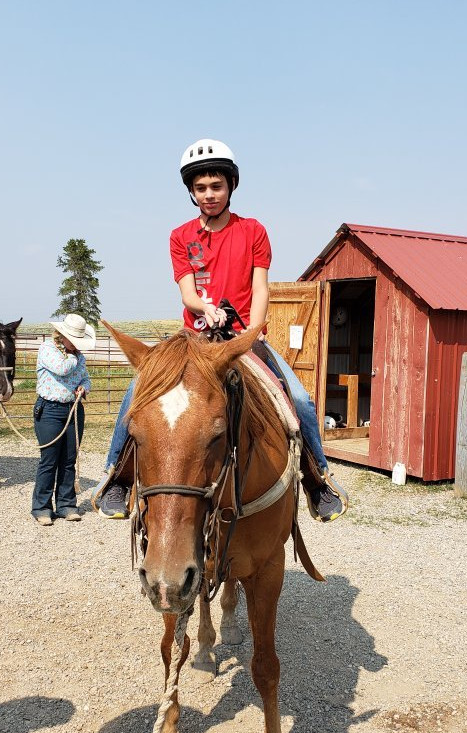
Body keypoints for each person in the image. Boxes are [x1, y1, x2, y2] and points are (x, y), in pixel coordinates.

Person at [96, 138, 348, 522]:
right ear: (191, 192)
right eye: (200, 188)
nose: (209, 195)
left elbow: (261, 286)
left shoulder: (253, 231)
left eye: (216, 186)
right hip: (194, 338)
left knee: (298, 399)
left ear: (231, 185)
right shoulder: (180, 236)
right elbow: (186, 291)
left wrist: (255, 328)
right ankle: (118, 477)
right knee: (137, 394)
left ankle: (317, 481)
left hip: (242, 336)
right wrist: (205, 307)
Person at [31, 313, 94, 525]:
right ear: (62, 336)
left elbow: (86, 378)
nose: (77, 346)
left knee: (68, 460)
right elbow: (62, 368)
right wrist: (75, 356)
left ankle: (67, 504)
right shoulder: (48, 350)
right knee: (49, 460)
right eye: (74, 341)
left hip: (73, 409)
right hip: (49, 409)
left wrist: (84, 387)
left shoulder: (77, 356)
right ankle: (42, 507)